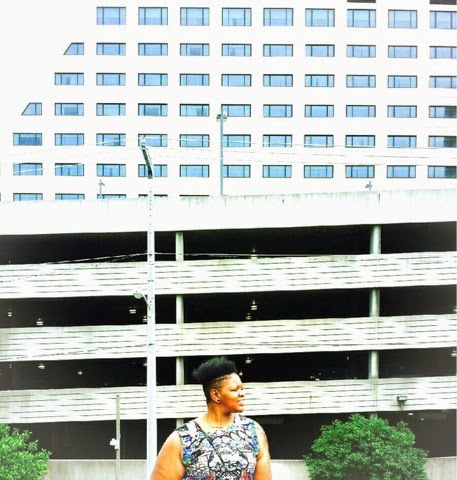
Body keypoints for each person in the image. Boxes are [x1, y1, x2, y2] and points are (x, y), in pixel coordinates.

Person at [151, 356, 272, 480]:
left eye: (242, 388)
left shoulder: (254, 432)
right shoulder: (182, 438)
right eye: (235, 390)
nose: (242, 394)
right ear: (215, 395)